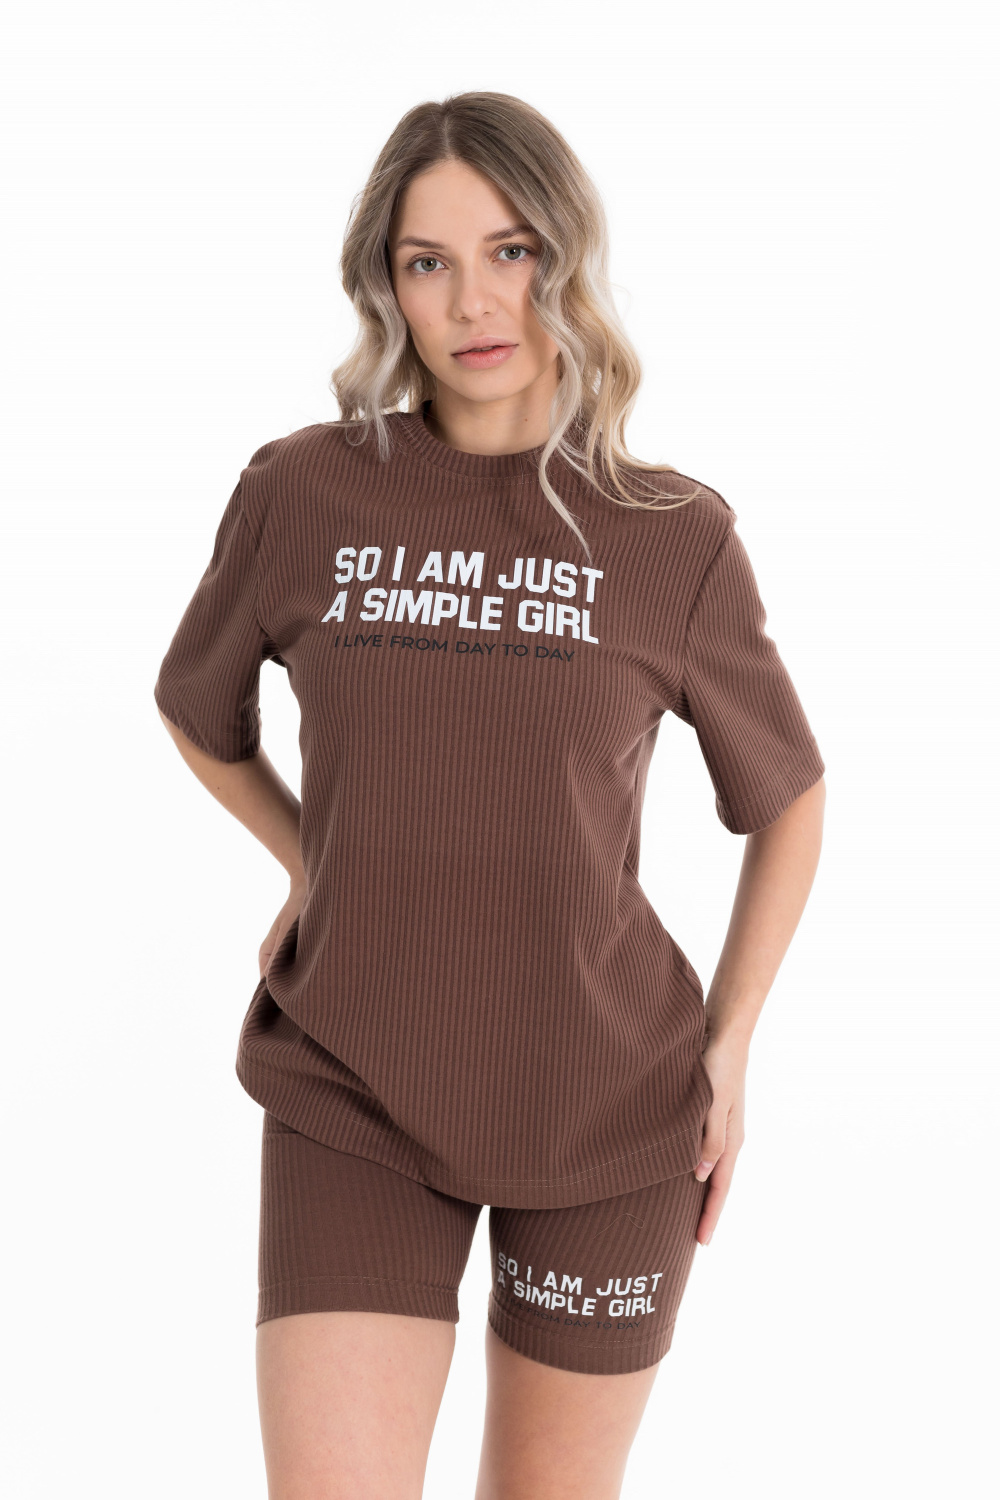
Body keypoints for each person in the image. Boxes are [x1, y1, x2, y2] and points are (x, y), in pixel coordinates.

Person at [154, 91, 826, 1500]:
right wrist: (314, 865)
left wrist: (731, 1041)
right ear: (385, 286)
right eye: (428, 262)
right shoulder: (303, 493)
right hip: (351, 1080)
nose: (473, 301)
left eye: (510, 251)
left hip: (608, 1107)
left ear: (565, 258)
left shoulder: (671, 535)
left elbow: (788, 795)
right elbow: (198, 710)